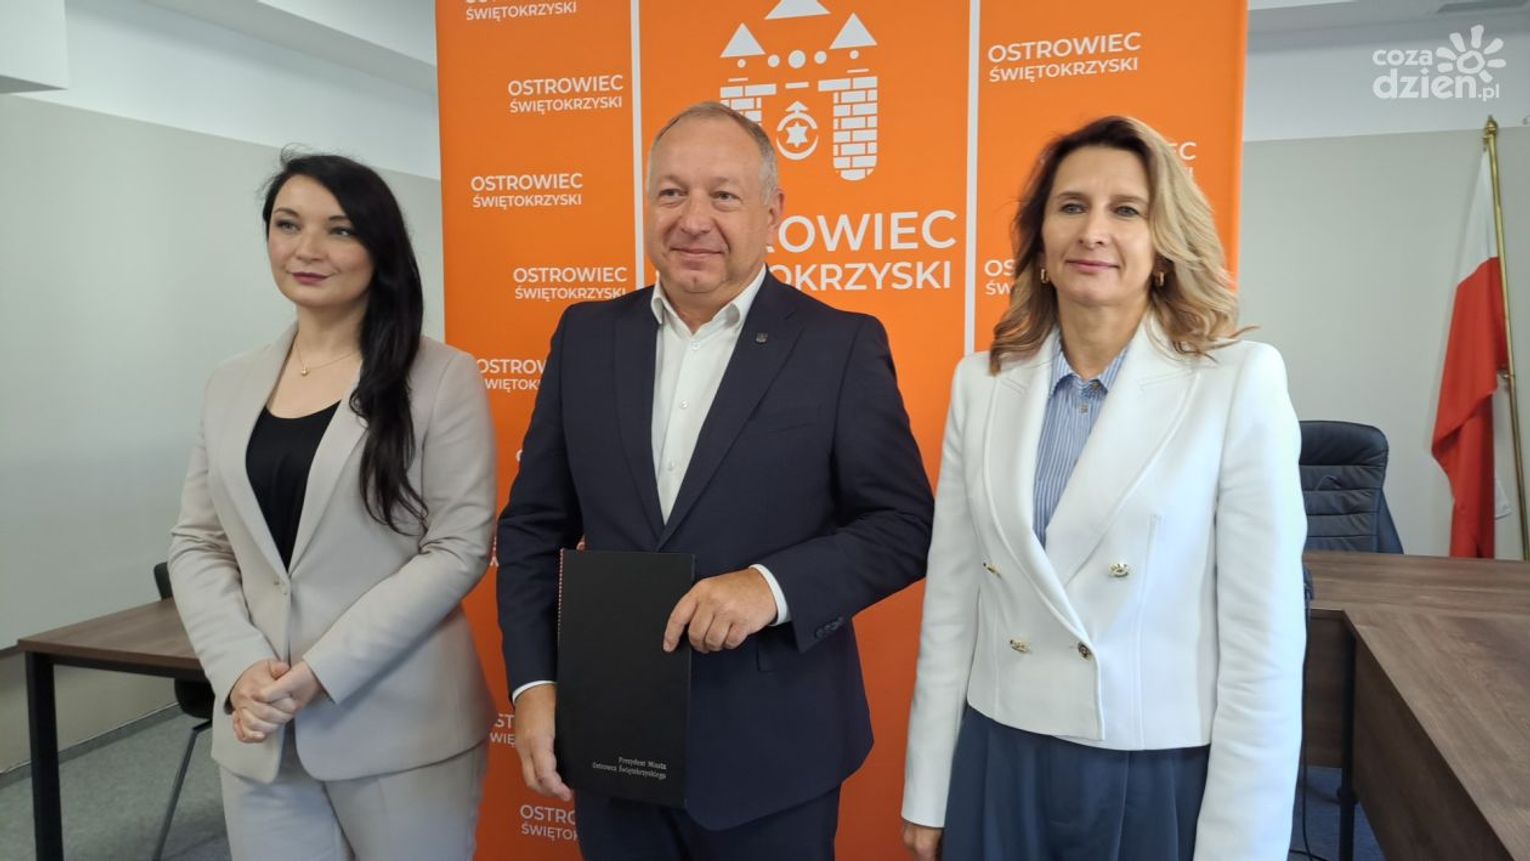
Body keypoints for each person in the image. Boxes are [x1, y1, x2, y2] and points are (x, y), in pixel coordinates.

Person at [497, 101, 933, 861]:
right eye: (672, 193)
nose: (693, 219)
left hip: (775, 754)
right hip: (613, 742)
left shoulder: (839, 345)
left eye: (723, 195)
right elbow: (533, 529)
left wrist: (771, 585)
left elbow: (904, 525)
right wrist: (534, 686)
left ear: (772, 212)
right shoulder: (586, 337)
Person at [901, 116, 1306, 861]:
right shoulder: (981, 384)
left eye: (1126, 210)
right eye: (1071, 206)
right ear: (1040, 242)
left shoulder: (1237, 383)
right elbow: (953, 602)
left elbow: (1265, 643)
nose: (1093, 231)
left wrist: (1242, 845)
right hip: (1000, 749)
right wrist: (929, 786)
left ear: (1163, 246)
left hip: (1152, 768)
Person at [168, 153, 497, 861]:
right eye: (288, 225)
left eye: (339, 230)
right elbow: (199, 542)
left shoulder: (442, 377)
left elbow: (458, 546)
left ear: (380, 249)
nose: (307, 249)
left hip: (400, 727)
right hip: (260, 727)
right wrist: (238, 668)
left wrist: (322, 669)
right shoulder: (230, 382)